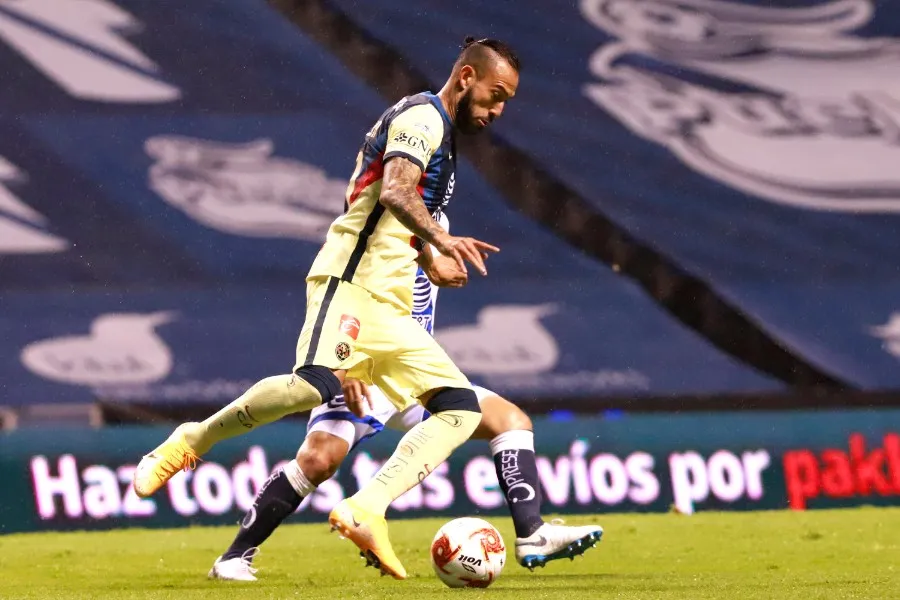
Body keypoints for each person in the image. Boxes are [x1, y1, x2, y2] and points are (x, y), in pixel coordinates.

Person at [133, 37, 522, 579]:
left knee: (460, 408)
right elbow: (395, 192)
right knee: (315, 384)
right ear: (465, 78)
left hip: (391, 304)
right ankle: (191, 439)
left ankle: (367, 508)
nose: (498, 110)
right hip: (351, 282)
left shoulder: (445, 141)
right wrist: (443, 237)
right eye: (495, 94)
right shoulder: (422, 116)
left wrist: (432, 259)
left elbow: (398, 222)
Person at [208, 250, 603, 582]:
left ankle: (532, 533)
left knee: (510, 421)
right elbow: (335, 298)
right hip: (361, 371)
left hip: (415, 374)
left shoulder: (431, 218)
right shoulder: (372, 219)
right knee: (317, 460)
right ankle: (233, 557)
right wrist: (345, 367)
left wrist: (442, 252)